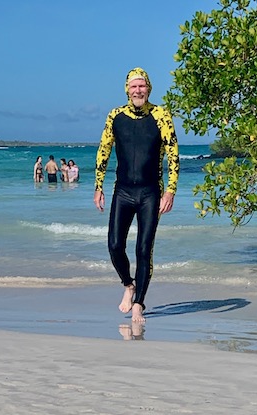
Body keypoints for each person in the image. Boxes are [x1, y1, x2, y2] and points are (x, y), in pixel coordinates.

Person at [94, 67, 179, 324]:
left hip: (151, 192)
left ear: (149, 88)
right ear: (127, 89)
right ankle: (128, 284)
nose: (138, 90)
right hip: (123, 191)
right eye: (133, 86)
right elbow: (104, 149)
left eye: (142, 86)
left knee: (144, 249)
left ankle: (139, 303)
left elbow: (173, 153)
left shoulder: (161, 115)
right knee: (114, 245)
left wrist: (171, 190)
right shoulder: (115, 116)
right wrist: (98, 185)